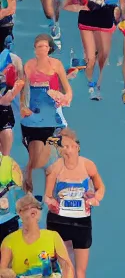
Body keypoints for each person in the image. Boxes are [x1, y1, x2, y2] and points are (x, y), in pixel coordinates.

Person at [42, 129, 104, 278]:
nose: (66, 149)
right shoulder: (56, 167)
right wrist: (52, 203)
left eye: (69, 145)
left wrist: (96, 198)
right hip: (59, 220)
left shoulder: (88, 165)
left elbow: (100, 187)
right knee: (64, 268)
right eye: (63, 146)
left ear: (77, 147)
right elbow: (47, 196)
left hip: (82, 221)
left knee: (80, 271)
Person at [22, 34, 72, 194]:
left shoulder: (56, 65)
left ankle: (48, 193)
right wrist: (23, 107)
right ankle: (29, 184)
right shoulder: (29, 66)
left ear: (49, 48)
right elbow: (23, 90)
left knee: (49, 160)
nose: (41, 49)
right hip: (34, 117)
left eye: (44, 46)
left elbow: (68, 90)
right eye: (38, 46)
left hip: (52, 117)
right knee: (35, 157)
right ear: (35, 49)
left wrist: (65, 98)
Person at [0, 196, 74, 277]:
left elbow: (67, 266)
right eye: (26, 207)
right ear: (19, 213)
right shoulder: (9, 240)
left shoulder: (53, 236)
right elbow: (2, 270)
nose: (31, 209)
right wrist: (7, 273)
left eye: (35, 206)